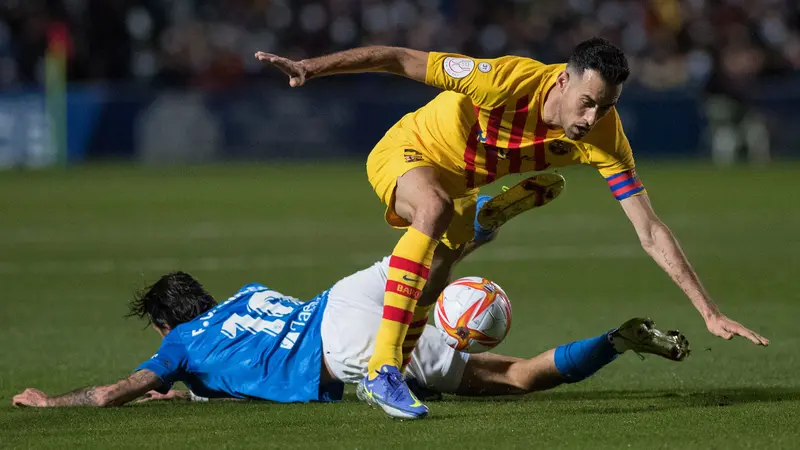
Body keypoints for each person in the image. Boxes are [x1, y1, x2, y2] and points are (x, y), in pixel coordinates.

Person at [253, 37, 769, 418]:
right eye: (587, 102)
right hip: (408, 153)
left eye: (606, 106)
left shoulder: (605, 139)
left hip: (463, 186)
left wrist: (708, 310)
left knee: (433, 281)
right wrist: (309, 66)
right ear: (563, 80)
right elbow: (400, 58)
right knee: (431, 210)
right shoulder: (501, 79)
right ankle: (383, 369)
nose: (592, 117)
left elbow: (650, 229)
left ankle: (463, 245)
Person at [12, 252, 690, 417]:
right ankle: (612, 339)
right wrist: (188, 394)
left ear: (166, 324)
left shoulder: (179, 346)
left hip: (345, 352)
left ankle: (390, 381)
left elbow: (108, 395)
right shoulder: (248, 294)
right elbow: (240, 364)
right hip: (343, 299)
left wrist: (51, 403)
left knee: (507, 383)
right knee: (425, 260)